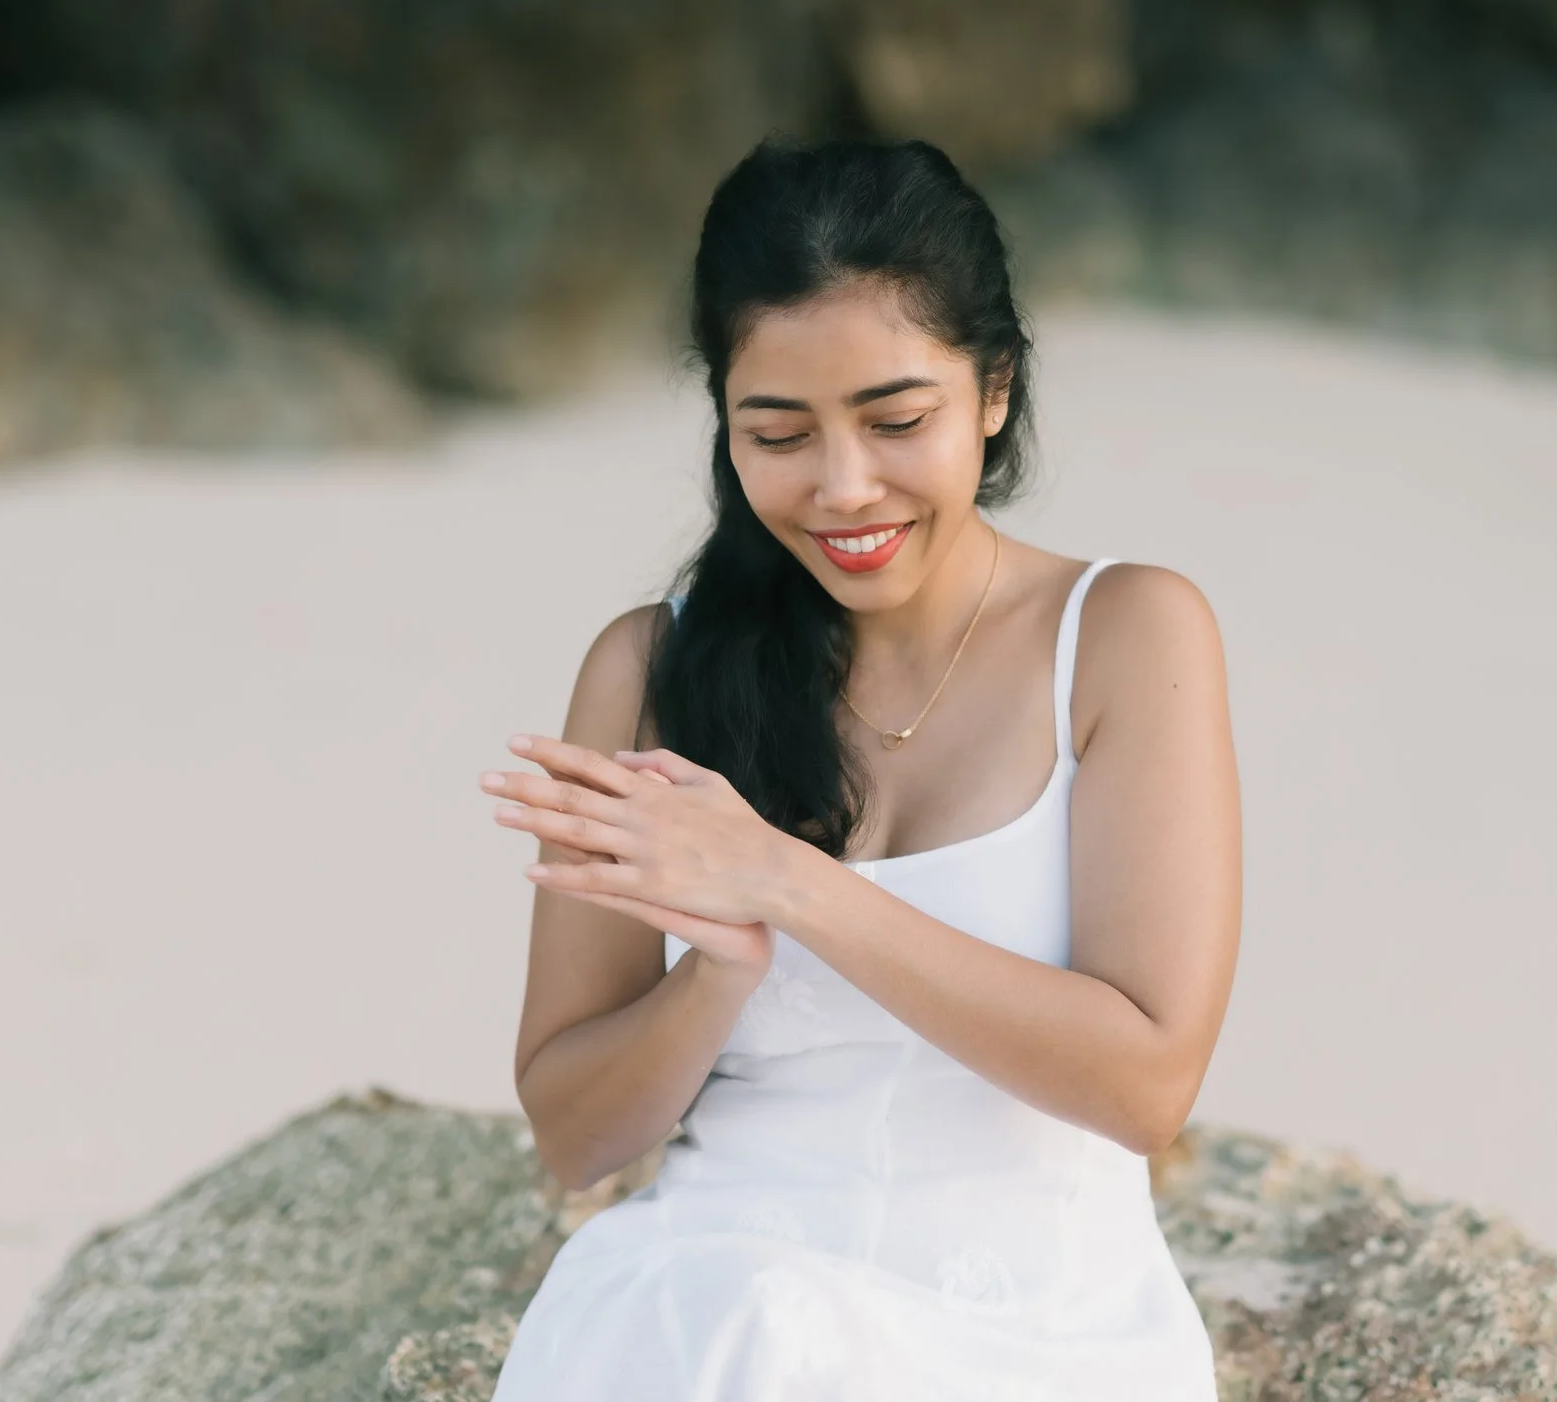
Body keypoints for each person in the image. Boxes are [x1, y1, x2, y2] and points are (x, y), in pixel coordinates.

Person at [483, 136, 1241, 1399]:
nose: (843, 488)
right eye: (775, 431)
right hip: (714, 1304)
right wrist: (714, 974)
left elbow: (1145, 1082)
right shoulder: (648, 671)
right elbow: (576, 1133)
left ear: (993, 389)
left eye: (896, 420)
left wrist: (790, 886)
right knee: (760, 1326)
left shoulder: (1123, 634)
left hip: (1036, 1332)